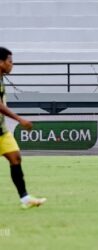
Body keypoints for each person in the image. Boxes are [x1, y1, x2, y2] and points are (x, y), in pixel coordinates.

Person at [0, 47, 46, 208]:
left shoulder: (1, 78)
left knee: (15, 158)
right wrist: (20, 119)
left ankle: (25, 199)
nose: (12, 65)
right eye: (10, 62)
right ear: (1, 62)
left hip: (1, 131)